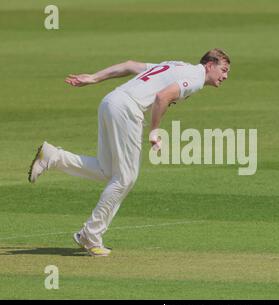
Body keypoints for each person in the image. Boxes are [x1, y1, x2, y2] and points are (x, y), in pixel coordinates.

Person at [28, 48, 231, 256]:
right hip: (128, 108)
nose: (225, 76)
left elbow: (129, 65)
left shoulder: (177, 65)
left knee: (107, 170)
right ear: (209, 65)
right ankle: (90, 235)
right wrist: (154, 131)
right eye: (223, 70)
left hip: (111, 101)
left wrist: (94, 78)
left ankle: (53, 156)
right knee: (126, 178)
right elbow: (163, 97)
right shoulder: (196, 78)